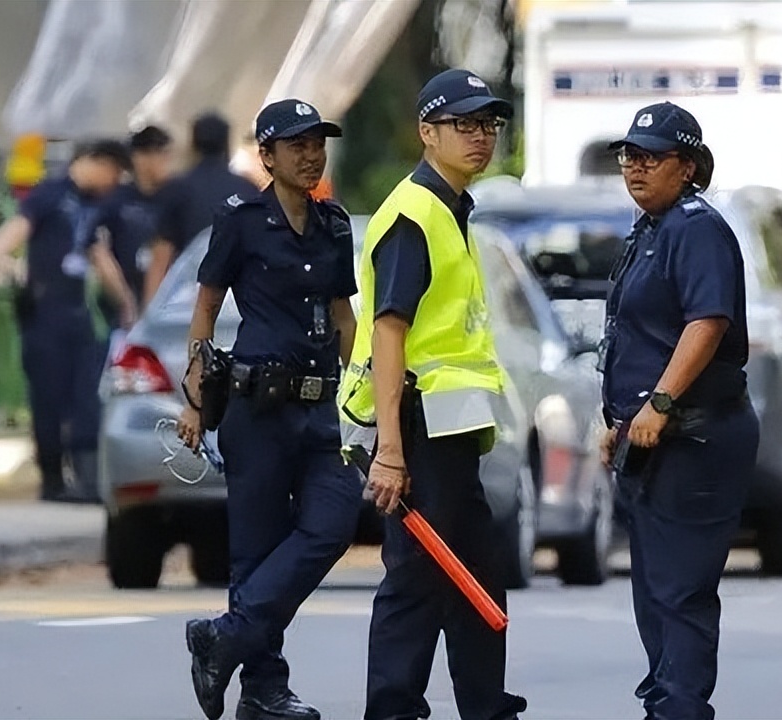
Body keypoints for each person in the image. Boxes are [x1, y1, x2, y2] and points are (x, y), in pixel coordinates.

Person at [339, 68, 527, 720]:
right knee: (419, 572)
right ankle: (392, 708)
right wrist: (389, 450)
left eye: (488, 125)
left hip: (448, 418)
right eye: (464, 125)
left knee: (473, 562)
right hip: (417, 419)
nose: (480, 137)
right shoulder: (413, 214)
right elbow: (388, 332)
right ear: (427, 132)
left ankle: (484, 701)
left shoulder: (451, 207)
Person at [178, 99, 364, 720]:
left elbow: (344, 318)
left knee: (332, 526)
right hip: (256, 407)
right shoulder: (240, 219)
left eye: (318, 144)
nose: (311, 156)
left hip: (320, 410)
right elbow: (205, 308)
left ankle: (224, 636)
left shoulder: (334, 224)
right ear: (267, 156)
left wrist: (357, 395)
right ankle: (264, 690)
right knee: (255, 551)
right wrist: (197, 397)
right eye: (297, 146)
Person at [597, 101, 758, 720]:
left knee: (679, 595)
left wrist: (660, 403)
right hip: (654, 438)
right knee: (656, 597)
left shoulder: (694, 226)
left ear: (687, 166)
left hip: (695, 436)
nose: (635, 168)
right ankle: (669, 704)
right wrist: (622, 419)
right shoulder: (652, 228)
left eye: (651, 157)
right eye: (629, 156)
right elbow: (639, 336)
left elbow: (706, 321)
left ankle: (679, 710)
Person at [0, 139, 135, 503]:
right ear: (96, 162)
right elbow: (18, 228)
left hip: (77, 314)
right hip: (44, 313)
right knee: (47, 399)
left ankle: (87, 480)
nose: (112, 183)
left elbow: (100, 256)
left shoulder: (94, 206)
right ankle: (52, 480)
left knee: (85, 396)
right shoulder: (50, 194)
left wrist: (126, 304)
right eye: (112, 173)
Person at [143, 111, 260, 306]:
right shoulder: (247, 188)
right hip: (239, 297)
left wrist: (148, 311)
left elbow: (161, 255)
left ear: (193, 144)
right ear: (226, 142)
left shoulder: (177, 189)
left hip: (187, 298)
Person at [95, 125, 173, 329]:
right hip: (122, 298)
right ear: (140, 157)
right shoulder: (116, 199)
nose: (165, 162)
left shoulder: (175, 198)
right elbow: (98, 246)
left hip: (168, 299)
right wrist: (121, 296)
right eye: (159, 154)